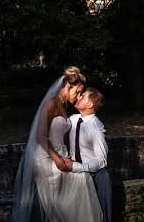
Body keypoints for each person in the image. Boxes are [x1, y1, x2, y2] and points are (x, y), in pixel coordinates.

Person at [11, 67, 103, 222]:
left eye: (81, 93)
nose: (78, 96)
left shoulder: (63, 105)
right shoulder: (51, 103)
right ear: (68, 86)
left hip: (59, 154)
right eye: (78, 91)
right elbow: (40, 135)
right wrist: (57, 159)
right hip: (46, 157)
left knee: (84, 178)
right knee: (81, 180)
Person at [66, 88, 111, 222]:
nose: (78, 97)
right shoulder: (73, 119)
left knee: (104, 176)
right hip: (71, 168)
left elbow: (102, 160)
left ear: (90, 105)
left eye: (83, 96)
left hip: (90, 170)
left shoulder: (96, 128)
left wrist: (78, 167)